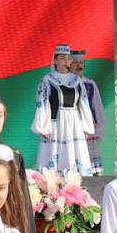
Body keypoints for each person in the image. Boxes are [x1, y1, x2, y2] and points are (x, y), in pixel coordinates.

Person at [32, 45, 96, 174]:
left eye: (68, 58)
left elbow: (83, 103)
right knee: (55, 152)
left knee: (74, 152)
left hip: (74, 123)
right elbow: (42, 103)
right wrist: (43, 127)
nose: (66, 61)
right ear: (55, 60)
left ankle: (74, 178)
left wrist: (87, 126)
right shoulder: (47, 80)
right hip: (56, 123)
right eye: (62, 58)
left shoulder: (76, 80)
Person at [71, 49, 107, 171]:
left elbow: (97, 106)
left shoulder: (89, 84)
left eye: (81, 62)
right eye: (75, 62)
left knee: (91, 168)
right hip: (71, 128)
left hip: (88, 129)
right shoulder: (64, 84)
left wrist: (99, 128)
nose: (79, 65)